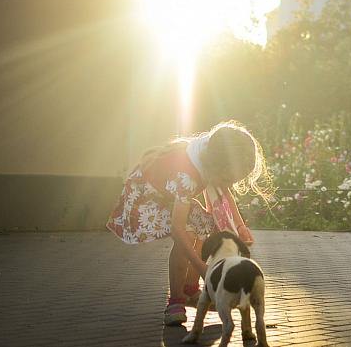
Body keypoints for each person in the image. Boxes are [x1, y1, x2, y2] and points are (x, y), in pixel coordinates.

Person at [106, 121, 271, 326]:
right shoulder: (187, 176)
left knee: (206, 225)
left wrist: (239, 226)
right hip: (146, 198)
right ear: (217, 167)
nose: (229, 184)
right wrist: (202, 267)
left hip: (169, 196)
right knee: (189, 232)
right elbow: (177, 229)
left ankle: (191, 289)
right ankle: (175, 300)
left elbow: (222, 191)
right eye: (228, 178)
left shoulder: (210, 154)